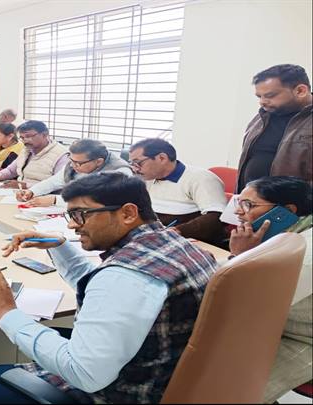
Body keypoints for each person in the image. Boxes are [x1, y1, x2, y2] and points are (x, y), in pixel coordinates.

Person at [0, 172, 217, 404]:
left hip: (123, 392)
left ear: (127, 213)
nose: (72, 225)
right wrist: (61, 247)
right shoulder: (178, 245)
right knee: (51, 334)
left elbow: (84, 374)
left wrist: (6, 312)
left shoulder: (125, 277)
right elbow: (110, 294)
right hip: (166, 373)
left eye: (80, 215)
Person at [225, 176, 312, 403]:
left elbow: (246, 304)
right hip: (277, 326)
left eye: (248, 205)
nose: (238, 212)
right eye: (239, 202)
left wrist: (240, 255)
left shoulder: (304, 254)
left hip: (303, 339)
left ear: (285, 212)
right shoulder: (286, 236)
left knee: (233, 391)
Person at [129, 138, 228, 246]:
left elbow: (217, 217)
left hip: (192, 242)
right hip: (158, 239)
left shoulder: (201, 179)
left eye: (138, 163)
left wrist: (179, 230)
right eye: (132, 164)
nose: (135, 169)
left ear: (162, 158)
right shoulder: (146, 179)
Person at [237, 64, 312, 191]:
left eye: (270, 95)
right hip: (249, 199)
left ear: (300, 91)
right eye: (259, 96)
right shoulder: (261, 118)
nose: (262, 102)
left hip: (293, 202)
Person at [17, 139, 133, 207]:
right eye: (71, 160)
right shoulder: (75, 163)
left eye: (78, 163)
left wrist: (55, 200)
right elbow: (55, 181)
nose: (73, 165)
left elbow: (98, 199)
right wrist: (32, 192)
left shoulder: (120, 172)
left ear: (99, 162)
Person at [0, 120, 68, 189]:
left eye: (28, 136)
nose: (25, 140)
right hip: (22, 193)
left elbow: (59, 183)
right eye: (22, 137)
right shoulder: (27, 150)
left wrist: (25, 185)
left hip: (45, 198)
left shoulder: (61, 155)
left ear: (44, 134)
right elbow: (11, 171)